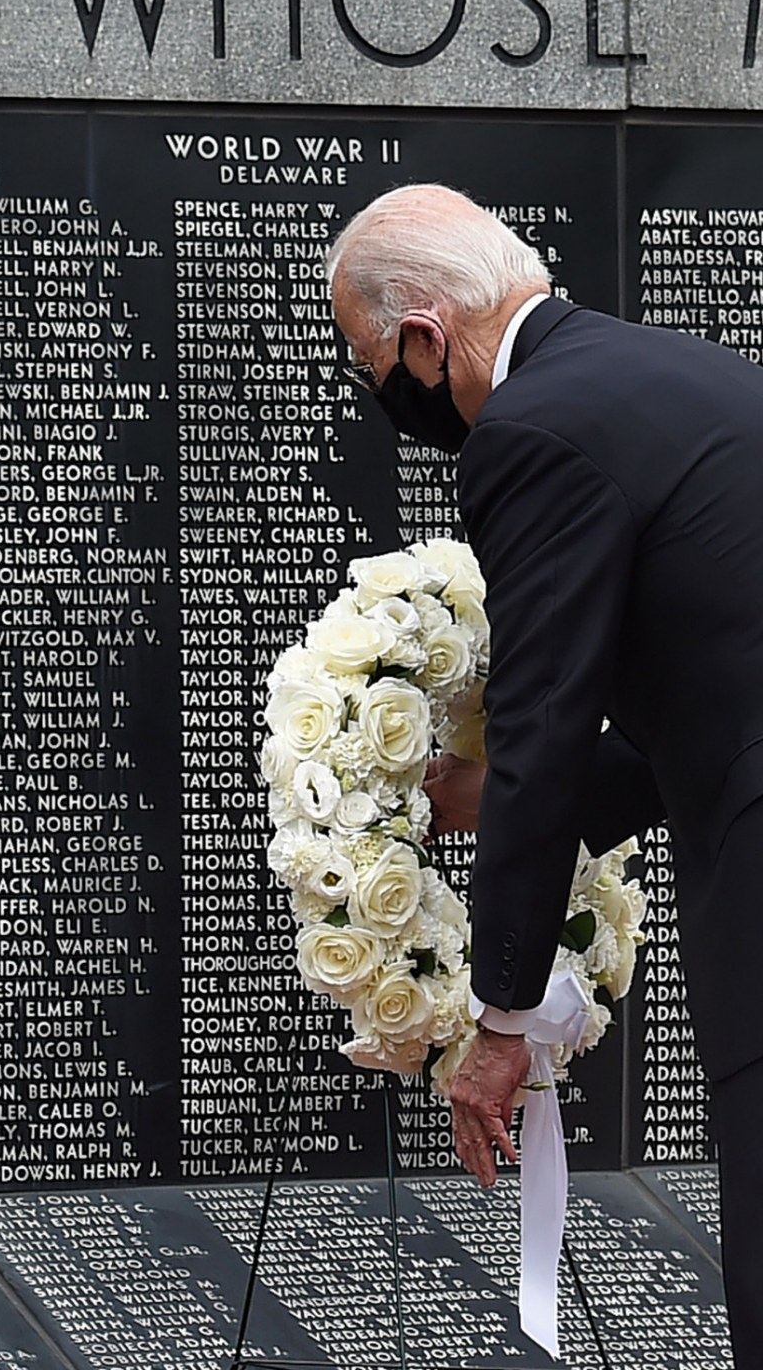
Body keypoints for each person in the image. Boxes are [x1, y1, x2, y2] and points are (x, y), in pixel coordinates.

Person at [328, 183, 763, 1365]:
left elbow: (545, 714)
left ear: (425, 337)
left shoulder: (528, 429)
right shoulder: (690, 373)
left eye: (371, 365)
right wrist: (478, 798)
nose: (382, 392)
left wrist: (503, 1015)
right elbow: (719, 691)